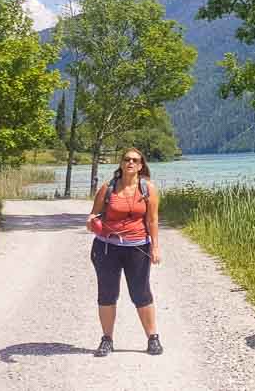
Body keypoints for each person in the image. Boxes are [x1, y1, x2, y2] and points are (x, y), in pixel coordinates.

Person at [85, 147, 163, 357]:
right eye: (126, 159)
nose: (130, 163)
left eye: (135, 160)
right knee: (107, 294)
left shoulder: (148, 189)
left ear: (141, 165)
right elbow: (93, 214)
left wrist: (155, 247)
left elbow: (152, 220)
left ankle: (153, 338)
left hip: (138, 247)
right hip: (107, 247)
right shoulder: (107, 188)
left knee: (141, 292)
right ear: (121, 163)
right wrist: (91, 221)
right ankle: (107, 339)